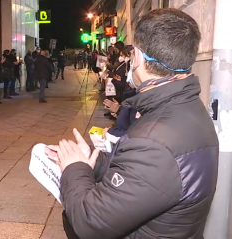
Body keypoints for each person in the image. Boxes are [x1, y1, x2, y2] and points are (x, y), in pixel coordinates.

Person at [46, 8, 218, 239]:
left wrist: (75, 168)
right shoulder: (186, 108)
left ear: (137, 58)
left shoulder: (156, 141)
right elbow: (141, 177)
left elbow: (90, 222)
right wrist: (94, 161)